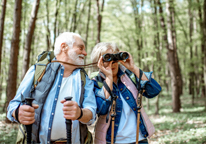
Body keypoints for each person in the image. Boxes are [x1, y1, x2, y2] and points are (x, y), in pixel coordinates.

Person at [7, 32, 97, 144]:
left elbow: (91, 114)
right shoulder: (37, 71)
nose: (85, 53)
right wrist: (18, 112)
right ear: (64, 47)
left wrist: (80, 113)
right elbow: (13, 106)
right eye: (80, 48)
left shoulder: (84, 79)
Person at [90, 42, 161, 144]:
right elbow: (101, 109)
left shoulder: (129, 76)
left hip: (139, 139)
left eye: (115, 58)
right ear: (98, 62)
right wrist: (109, 78)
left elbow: (154, 91)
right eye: (107, 58)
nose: (112, 63)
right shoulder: (96, 83)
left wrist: (133, 68)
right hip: (112, 141)